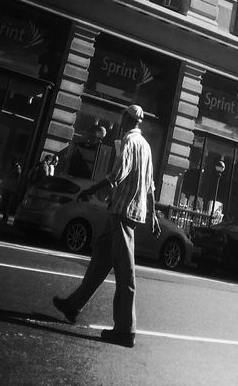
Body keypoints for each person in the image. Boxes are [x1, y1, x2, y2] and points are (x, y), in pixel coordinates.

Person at [52, 104, 159, 348]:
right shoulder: (147, 146)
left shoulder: (129, 142)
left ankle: (125, 330)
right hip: (125, 213)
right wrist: (152, 213)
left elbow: (117, 175)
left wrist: (92, 189)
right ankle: (73, 304)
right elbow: (150, 184)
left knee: (125, 274)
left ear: (126, 119)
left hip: (123, 213)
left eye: (122, 116)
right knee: (101, 260)